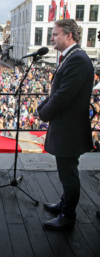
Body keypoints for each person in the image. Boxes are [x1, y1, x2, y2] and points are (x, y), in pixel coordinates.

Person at [38, 19, 94, 231]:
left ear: (68, 35)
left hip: (70, 128)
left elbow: (63, 96)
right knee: (65, 171)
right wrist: (43, 106)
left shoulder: (77, 59)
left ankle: (68, 216)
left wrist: (43, 113)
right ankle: (64, 204)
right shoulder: (71, 57)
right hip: (65, 124)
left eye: (55, 34)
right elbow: (57, 92)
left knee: (69, 173)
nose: (51, 38)